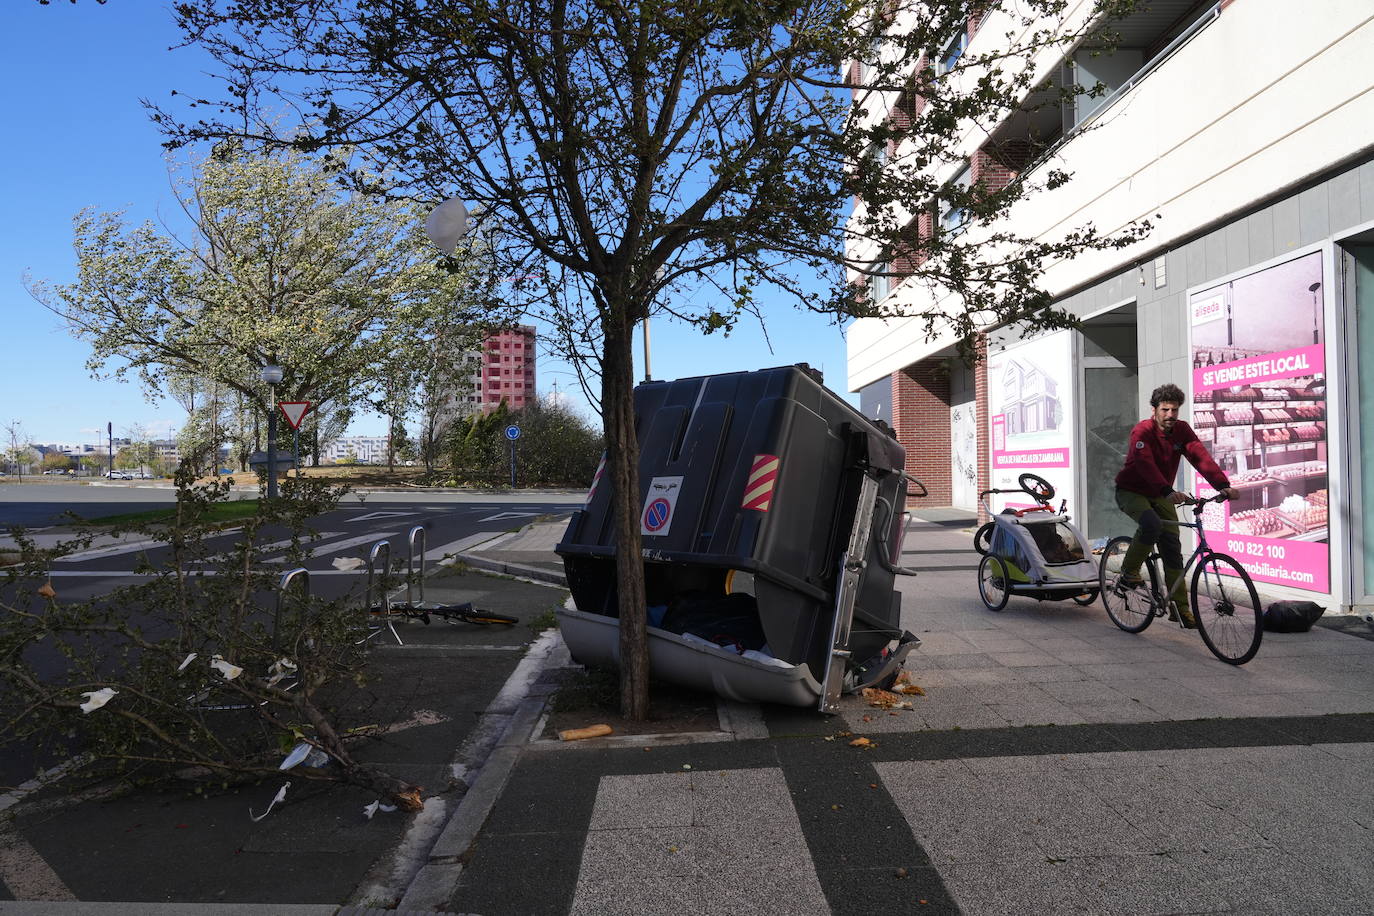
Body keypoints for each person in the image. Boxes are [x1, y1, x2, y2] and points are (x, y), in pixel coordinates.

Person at [1114, 383, 1239, 627]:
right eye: (1165, 410)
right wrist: (1167, 490)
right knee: (1151, 524)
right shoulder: (1142, 431)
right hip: (1132, 491)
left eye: (1174, 410)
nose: (1170, 415)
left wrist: (1222, 485)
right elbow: (1144, 463)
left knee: (1172, 548)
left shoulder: (1181, 430)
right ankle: (1129, 572)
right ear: (1155, 410)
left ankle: (1180, 609)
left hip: (1161, 493)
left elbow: (1199, 455)